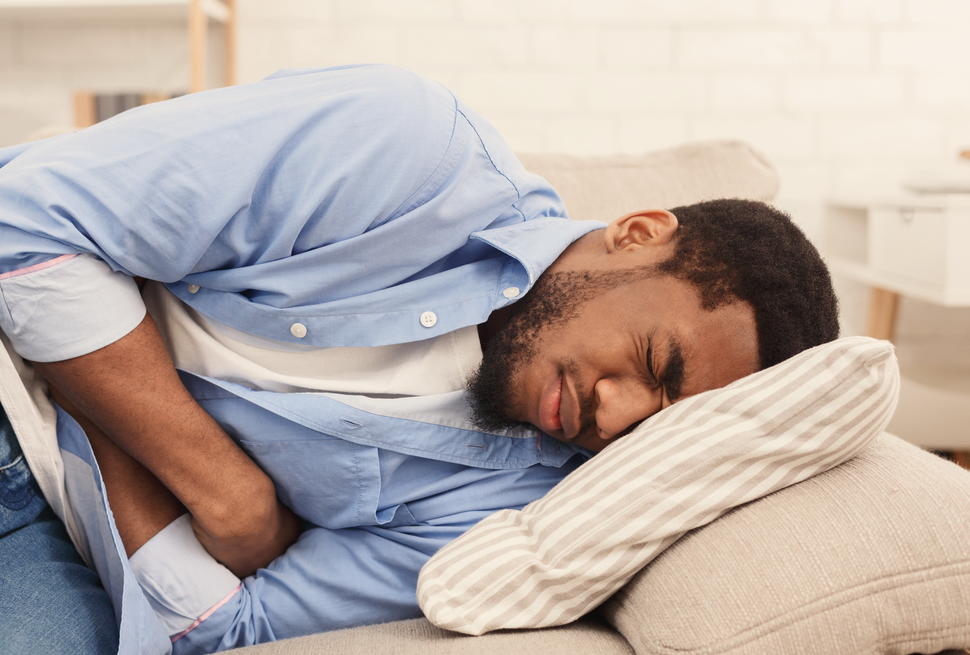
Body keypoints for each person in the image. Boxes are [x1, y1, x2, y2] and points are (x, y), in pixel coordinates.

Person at [0, 64, 838, 654]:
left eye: (659, 422)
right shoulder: (407, 149)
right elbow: (21, 220)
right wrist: (227, 488)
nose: (616, 418)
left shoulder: (515, 499)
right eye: (657, 363)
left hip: (54, 534)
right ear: (638, 234)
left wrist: (95, 396)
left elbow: (217, 626)